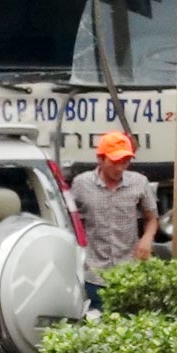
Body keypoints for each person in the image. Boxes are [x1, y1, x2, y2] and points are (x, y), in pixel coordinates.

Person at [70, 131, 159, 311]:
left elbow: (152, 218)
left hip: (129, 273)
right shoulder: (81, 184)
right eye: (115, 162)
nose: (120, 168)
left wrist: (147, 238)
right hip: (94, 274)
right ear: (101, 159)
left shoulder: (139, 183)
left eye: (125, 162)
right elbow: (69, 221)